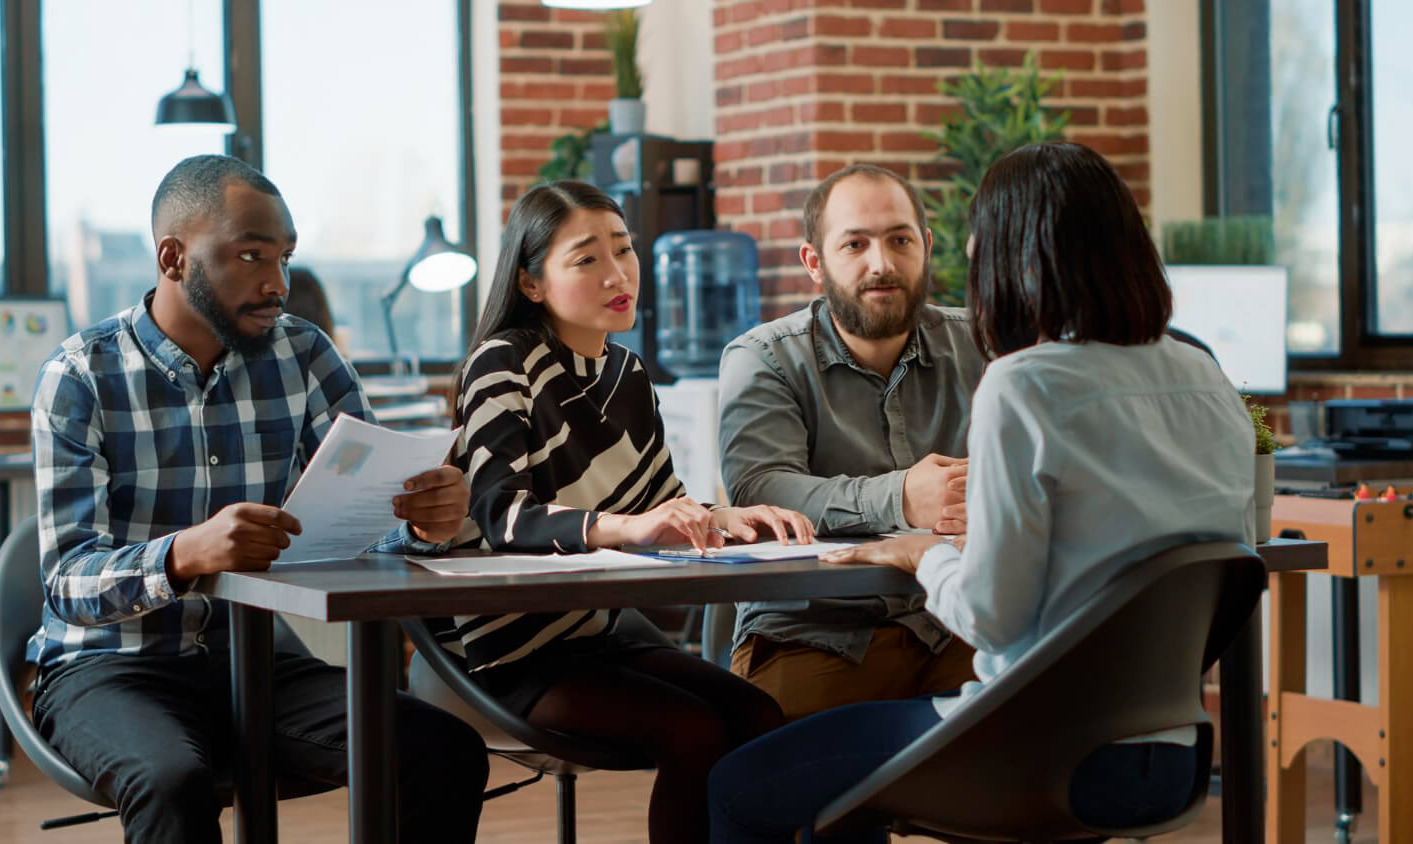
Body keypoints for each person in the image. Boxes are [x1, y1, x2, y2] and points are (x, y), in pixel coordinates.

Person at [707, 141, 1257, 843]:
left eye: (976, 239)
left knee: (737, 788)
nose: (968, 255)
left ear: (1014, 254)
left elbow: (992, 618)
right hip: (1169, 748)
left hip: (1029, 748)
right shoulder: (1205, 374)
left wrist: (918, 555)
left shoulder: (1022, 381)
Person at [28, 154, 487, 844]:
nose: (277, 283)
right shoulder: (81, 377)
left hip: (255, 657)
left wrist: (424, 521)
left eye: (285, 259)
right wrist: (185, 554)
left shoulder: (304, 355)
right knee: (171, 781)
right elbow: (68, 579)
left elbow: (368, 521)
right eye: (250, 256)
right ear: (174, 257)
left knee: (442, 749)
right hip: (106, 665)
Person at [443, 180, 809, 844]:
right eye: (587, 259)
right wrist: (625, 528)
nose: (619, 274)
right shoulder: (502, 363)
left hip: (600, 630)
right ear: (531, 283)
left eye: (624, 250)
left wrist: (731, 517)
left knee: (759, 714)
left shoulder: (628, 373)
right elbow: (501, 514)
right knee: (692, 730)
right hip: (516, 649)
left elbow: (659, 501)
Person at [717, 163, 983, 720]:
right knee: (768, 780)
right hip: (817, 630)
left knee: (1044, 734)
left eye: (899, 240)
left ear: (926, 247)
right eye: (855, 244)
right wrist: (902, 498)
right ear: (814, 261)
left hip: (960, 620)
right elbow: (761, 488)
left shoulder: (983, 344)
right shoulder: (764, 357)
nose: (881, 263)